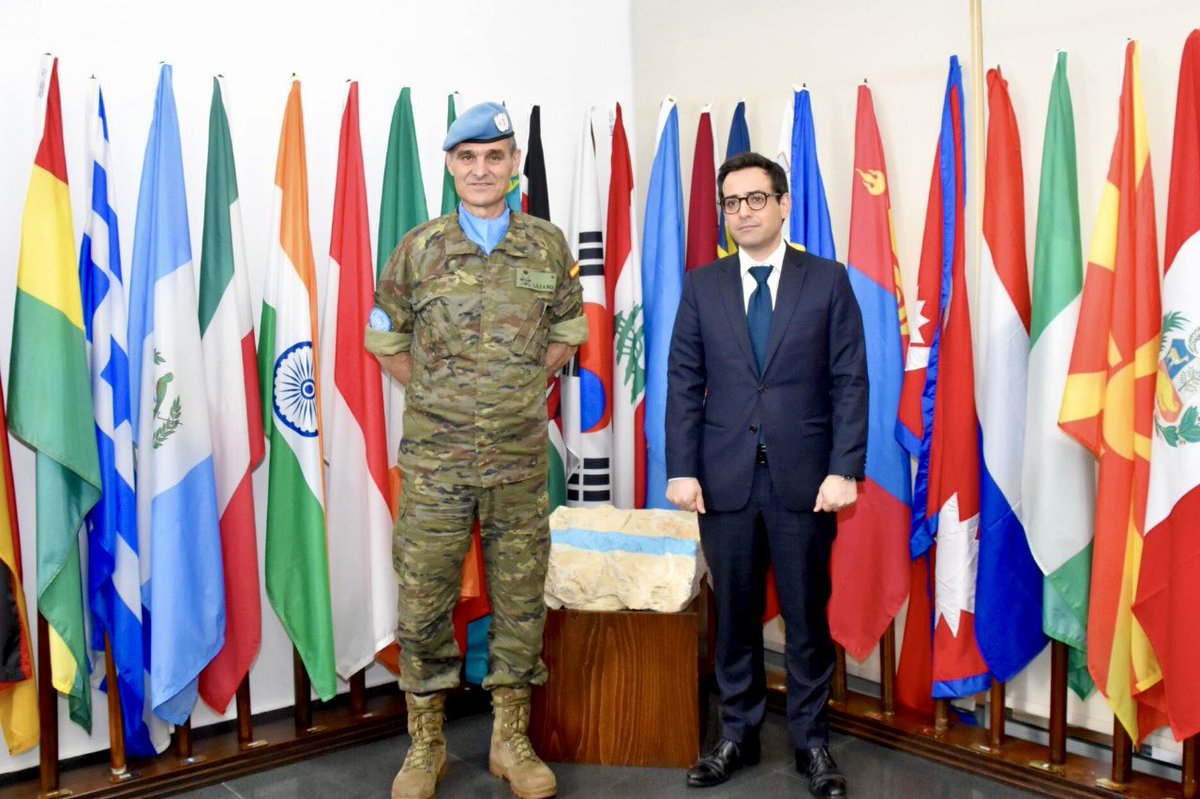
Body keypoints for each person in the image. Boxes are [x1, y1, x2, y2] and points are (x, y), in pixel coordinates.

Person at [366, 101, 587, 799]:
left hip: (520, 460)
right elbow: (386, 338)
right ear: (450, 165)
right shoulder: (419, 247)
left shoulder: (547, 245)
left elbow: (568, 333)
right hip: (436, 461)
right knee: (425, 595)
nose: (482, 169)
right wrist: (440, 392)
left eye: (495, 156)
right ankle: (425, 743)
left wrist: (519, 386)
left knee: (521, 597)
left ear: (515, 163)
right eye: (468, 157)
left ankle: (508, 738)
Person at [666, 151, 867, 798]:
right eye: (732, 202)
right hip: (723, 482)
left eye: (756, 199)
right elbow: (682, 383)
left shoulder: (827, 279)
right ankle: (738, 734)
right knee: (735, 617)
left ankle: (812, 742)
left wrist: (844, 468)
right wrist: (681, 468)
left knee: (807, 619)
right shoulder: (703, 284)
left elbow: (849, 380)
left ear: (783, 204)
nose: (744, 212)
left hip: (806, 481)